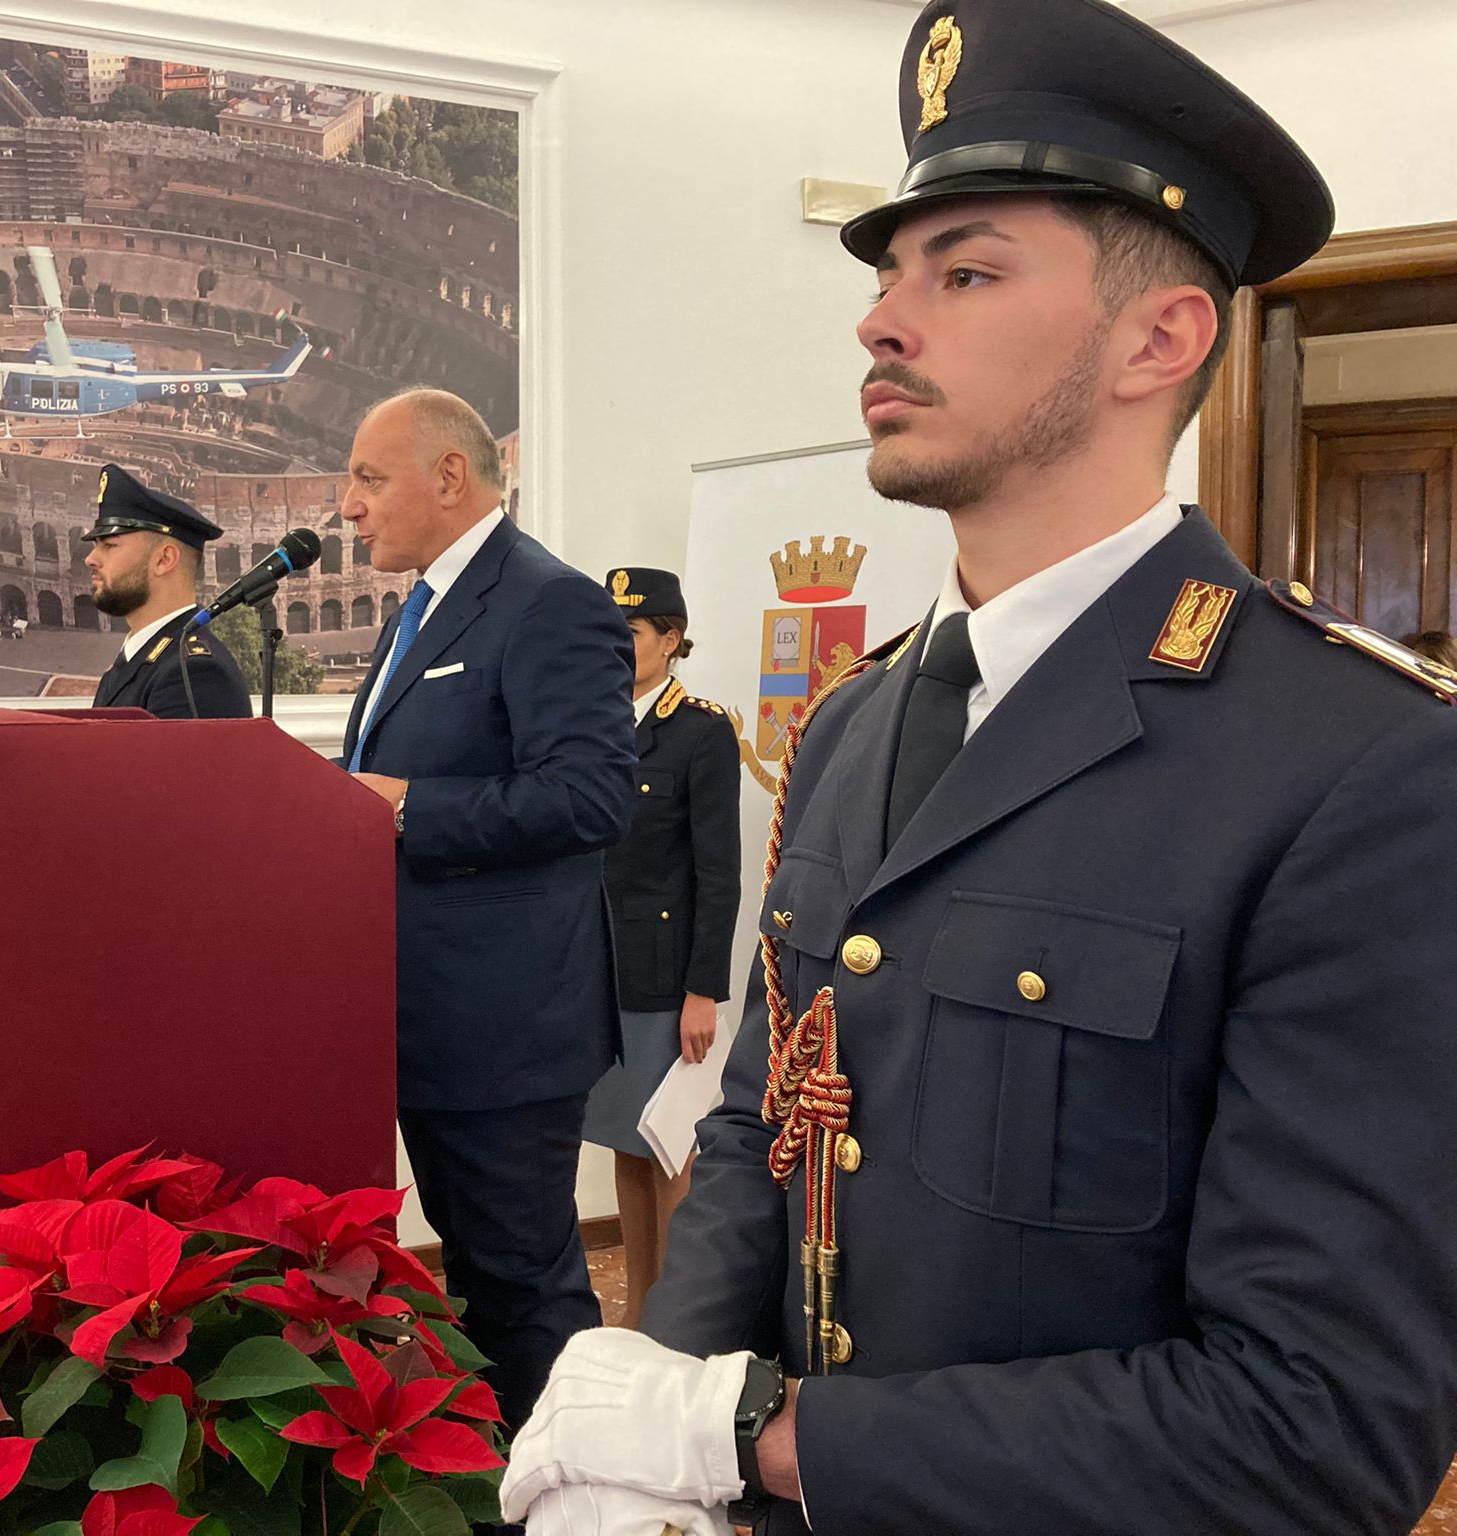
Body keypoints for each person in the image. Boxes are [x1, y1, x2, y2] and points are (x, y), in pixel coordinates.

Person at [501, 3, 1457, 1534]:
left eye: (968, 270)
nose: (882, 321)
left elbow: (1318, 1425)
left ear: (1160, 338)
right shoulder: (862, 720)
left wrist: (757, 1437)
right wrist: (655, 1419)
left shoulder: (1360, 770)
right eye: (890, 272)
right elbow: (768, 1117)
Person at [341, 388, 637, 1437]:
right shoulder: (422, 609)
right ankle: (503, 1474)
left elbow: (591, 795)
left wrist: (408, 808)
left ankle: (575, 1490)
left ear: (448, 476)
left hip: (504, 1026)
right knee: (474, 1281)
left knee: (523, 1286)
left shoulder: (546, 602)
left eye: (369, 480)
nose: (349, 507)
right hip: (428, 1019)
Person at [579, 568, 740, 1331]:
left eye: (633, 634)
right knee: (625, 1143)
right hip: (598, 972)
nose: (617, 648)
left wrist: (704, 990)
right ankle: (639, 1307)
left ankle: (677, 1322)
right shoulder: (592, 721)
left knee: (672, 1152)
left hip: (666, 979)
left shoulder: (700, 731)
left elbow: (719, 871)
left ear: (671, 639)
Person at [82, 463, 251, 719]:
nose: (91, 559)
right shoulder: (145, 658)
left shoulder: (192, 674)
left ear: (164, 560)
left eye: (109, 545)